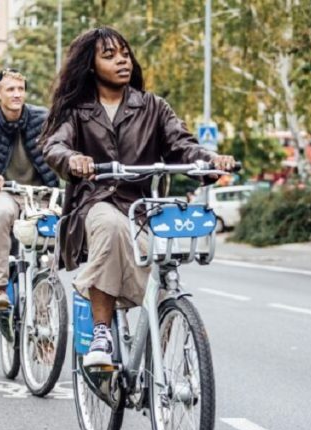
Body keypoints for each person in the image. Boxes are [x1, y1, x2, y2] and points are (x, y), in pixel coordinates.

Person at [41, 27, 235, 367]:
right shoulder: (78, 111)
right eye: (109, 56)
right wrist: (73, 159)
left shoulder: (153, 107)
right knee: (111, 226)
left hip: (143, 211)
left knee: (161, 279)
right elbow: (54, 145)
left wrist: (210, 161)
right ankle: (102, 332)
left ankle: (157, 365)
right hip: (95, 204)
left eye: (125, 54)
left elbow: (182, 146)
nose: (122, 61)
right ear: (91, 66)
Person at [0, 68, 59, 310]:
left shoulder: (43, 118)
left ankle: (44, 312)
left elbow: (60, 145)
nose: (17, 94)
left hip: (39, 195)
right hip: (4, 192)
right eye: (10, 89)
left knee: (51, 243)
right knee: (2, 213)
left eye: (20, 89)